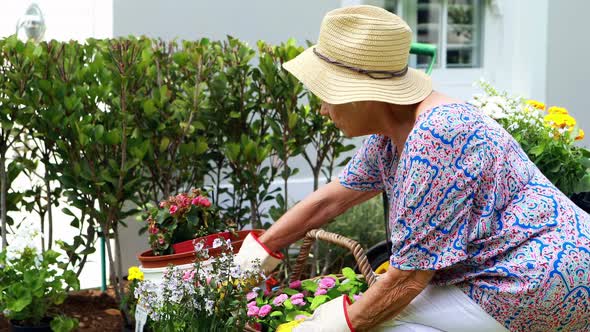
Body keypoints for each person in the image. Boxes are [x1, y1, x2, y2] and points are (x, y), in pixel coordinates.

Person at [235, 5, 590, 332]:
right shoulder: (392, 134)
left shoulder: (437, 134)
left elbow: (408, 279)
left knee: (380, 324)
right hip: (513, 274)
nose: (324, 110)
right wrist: (247, 263)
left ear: (362, 93)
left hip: (539, 283)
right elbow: (329, 202)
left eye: (328, 94)